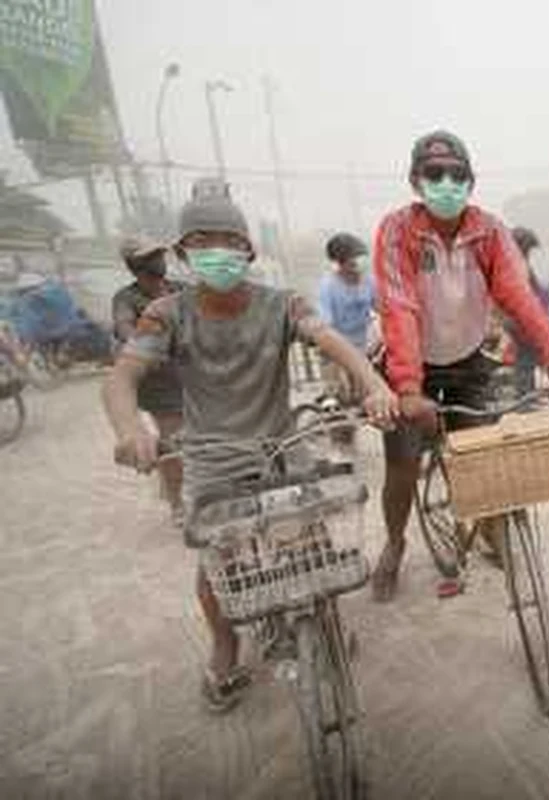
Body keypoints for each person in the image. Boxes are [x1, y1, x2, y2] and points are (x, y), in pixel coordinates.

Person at [102, 181, 398, 711]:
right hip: (211, 456)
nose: (216, 251)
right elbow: (122, 376)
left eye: (228, 240)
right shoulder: (166, 313)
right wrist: (130, 430)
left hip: (283, 445)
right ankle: (226, 645)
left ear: (248, 250)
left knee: (311, 542)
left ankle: (325, 619)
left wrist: (375, 385)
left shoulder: (283, 304)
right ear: (182, 253)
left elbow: (330, 340)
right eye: (201, 241)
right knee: (220, 561)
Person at [371, 130, 549, 601]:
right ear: (415, 181)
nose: (447, 183)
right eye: (434, 174)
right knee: (402, 464)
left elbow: (519, 299)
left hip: (467, 358)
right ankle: (394, 543)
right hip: (410, 363)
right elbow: (399, 306)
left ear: (471, 180)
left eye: (457, 174)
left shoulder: (490, 231)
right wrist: (407, 388)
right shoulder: (398, 230)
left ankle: (490, 528)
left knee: (481, 457)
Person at [111, 236, 186, 519]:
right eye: (152, 257)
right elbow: (124, 329)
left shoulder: (180, 288)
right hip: (162, 387)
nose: (159, 261)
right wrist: (150, 346)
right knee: (173, 446)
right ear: (135, 265)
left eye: (159, 255)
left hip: (197, 379)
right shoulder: (126, 299)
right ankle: (177, 502)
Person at [318, 232, 376, 444]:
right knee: (339, 399)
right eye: (353, 259)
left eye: (360, 258)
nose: (358, 264)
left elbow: (384, 308)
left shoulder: (369, 281)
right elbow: (325, 324)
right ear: (341, 263)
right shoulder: (328, 286)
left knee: (362, 398)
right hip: (335, 351)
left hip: (361, 350)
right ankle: (340, 443)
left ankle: (348, 433)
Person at [507, 226, 549, 398]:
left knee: (529, 355)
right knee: (526, 357)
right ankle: (524, 395)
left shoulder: (518, 263)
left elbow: (536, 289)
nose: (530, 252)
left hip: (523, 318)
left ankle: (528, 393)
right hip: (522, 319)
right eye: (528, 248)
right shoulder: (516, 265)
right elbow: (524, 292)